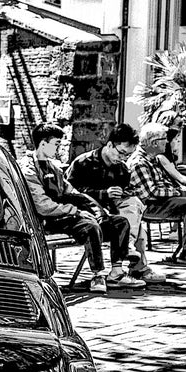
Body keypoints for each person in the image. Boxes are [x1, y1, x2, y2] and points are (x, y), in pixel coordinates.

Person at [18, 122, 139, 294]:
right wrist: (75, 211)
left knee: (119, 222)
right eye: (57, 144)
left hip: (65, 215)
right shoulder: (29, 169)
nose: (59, 149)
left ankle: (117, 272)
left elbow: (73, 192)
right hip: (48, 220)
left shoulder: (53, 167)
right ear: (43, 144)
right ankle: (98, 274)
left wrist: (97, 212)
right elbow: (43, 206)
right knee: (90, 227)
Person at [68, 123, 157, 282]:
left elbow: (125, 193)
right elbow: (70, 193)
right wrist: (103, 194)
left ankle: (129, 265)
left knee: (135, 208)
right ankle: (135, 266)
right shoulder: (83, 163)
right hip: (85, 212)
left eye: (127, 156)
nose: (123, 159)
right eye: (121, 153)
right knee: (133, 222)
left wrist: (127, 192)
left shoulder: (122, 169)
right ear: (109, 145)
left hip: (112, 213)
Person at [127, 121, 186, 260]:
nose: (167, 142)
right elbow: (151, 193)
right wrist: (177, 192)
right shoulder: (139, 162)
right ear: (154, 143)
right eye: (164, 139)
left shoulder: (152, 159)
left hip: (162, 201)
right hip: (150, 206)